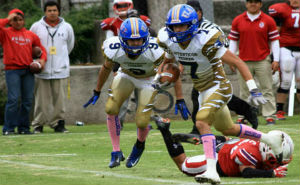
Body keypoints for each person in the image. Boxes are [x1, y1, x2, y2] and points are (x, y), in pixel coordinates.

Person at [156, 4, 284, 184]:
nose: (177, 30)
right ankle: (269, 139)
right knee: (227, 129)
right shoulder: (167, 38)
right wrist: (159, 76)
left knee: (201, 121)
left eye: (182, 26)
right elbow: (169, 61)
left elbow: (238, 62)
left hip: (218, 86)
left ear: (192, 24)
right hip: (202, 89)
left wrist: (253, 89)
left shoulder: (206, 39)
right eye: (174, 26)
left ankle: (211, 171)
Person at [84, 18, 165, 169]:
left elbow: (168, 68)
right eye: (131, 41)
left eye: (139, 40)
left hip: (148, 80)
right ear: (122, 39)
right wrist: (97, 90)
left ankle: (139, 146)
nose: (135, 44)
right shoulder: (113, 47)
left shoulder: (156, 48)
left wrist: (179, 97)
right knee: (111, 108)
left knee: (141, 121)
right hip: (126, 75)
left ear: (146, 38)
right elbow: (106, 68)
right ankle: (116, 151)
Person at [186, 0, 259, 133]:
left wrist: (253, 88)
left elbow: (225, 51)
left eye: (192, 13)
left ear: (199, 13)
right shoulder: (185, 27)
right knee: (215, 96)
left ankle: (197, 129)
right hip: (197, 65)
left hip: (212, 65)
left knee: (202, 94)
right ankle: (247, 110)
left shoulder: (210, 29)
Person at [153, 115, 294, 179]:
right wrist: (271, 173)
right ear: (267, 149)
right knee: (183, 165)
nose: (278, 161)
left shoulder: (260, 143)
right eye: (276, 156)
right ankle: (165, 129)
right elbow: (247, 172)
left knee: (225, 139)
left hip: (229, 144)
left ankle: (202, 139)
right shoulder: (252, 152)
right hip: (219, 160)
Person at [100, 0, 152, 128]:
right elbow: (116, 56)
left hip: (144, 70)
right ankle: (118, 123)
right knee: (121, 99)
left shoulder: (150, 35)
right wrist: (115, 69)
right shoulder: (117, 39)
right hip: (125, 70)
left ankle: (144, 123)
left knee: (144, 99)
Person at [228, 0, 280, 125]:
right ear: (246, 4)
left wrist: (276, 59)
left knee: (267, 88)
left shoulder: (268, 20)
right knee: (244, 90)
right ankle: (243, 115)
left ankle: (269, 115)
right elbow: (233, 41)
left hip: (263, 60)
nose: (253, 4)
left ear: (260, 4)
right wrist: (231, 58)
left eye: (256, 2)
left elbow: (274, 41)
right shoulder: (238, 20)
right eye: (250, 2)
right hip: (243, 61)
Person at [30, 1, 75, 133]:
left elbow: (69, 46)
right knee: (41, 100)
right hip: (42, 69)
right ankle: (38, 124)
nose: (52, 13)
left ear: (59, 11)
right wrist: (37, 62)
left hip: (60, 70)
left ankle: (58, 124)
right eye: (49, 10)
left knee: (59, 100)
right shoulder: (36, 27)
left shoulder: (67, 27)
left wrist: (62, 60)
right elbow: (31, 46)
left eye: (54, 10)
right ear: (45, 12)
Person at [0, 9, 47, 135]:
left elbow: (42, 49)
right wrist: (8, 18)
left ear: (24, 20)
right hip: (12, 70)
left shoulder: (30, 34)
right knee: (13, 99)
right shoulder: (5, 32)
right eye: (15, 20)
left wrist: (42, 60)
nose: (18, 22)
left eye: (20, 19)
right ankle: (8, 128)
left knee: (27, 100)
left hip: (28, 70)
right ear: (11, 21)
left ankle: (24, 128)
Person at [268, 0, 300, 120]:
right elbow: (276, 32)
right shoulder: (281, 9)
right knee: (286, 80)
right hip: (287, 48)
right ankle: (280, 110)